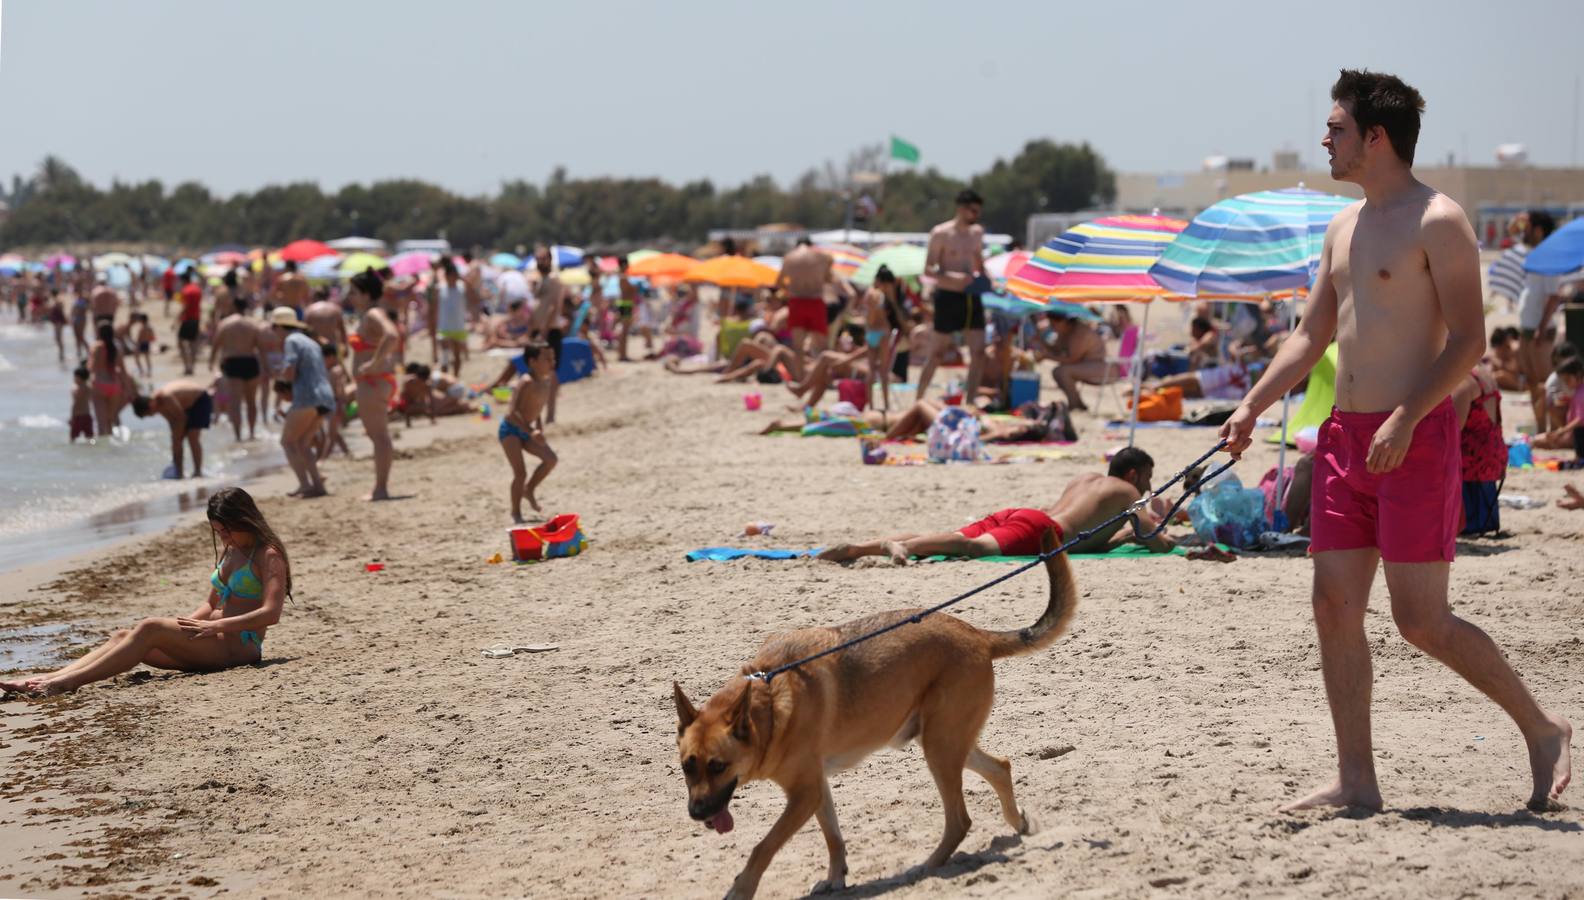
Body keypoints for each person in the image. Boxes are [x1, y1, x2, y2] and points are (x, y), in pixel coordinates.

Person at [1219, 69, 1570, 813]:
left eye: (1337, 127)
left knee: (1421, 621)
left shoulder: (1438, 219)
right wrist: (1251, 405)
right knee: (1333, 606)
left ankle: (1542, 729)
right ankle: (1357, 780)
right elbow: (1311, 335)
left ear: (1375, 137)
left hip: (1417, 435)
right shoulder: (1342, 227)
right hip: (1345, 441)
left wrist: (1408, 416)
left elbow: (1470, 340)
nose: (1326, 139)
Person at [0, 488, 287, 697]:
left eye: (227, 530)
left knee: (150, 626)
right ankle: (49, 677)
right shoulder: (232, 550)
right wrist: (182, 628)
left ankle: (68, 683)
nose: (223, 538)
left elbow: (271, 614)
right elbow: (209, 603)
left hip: (240, 647)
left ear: (245, 519)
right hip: (211, 639)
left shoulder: (268, 555)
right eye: (218, 532)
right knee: (123, 636)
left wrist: (215, 625)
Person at [816, 448, 1180, 563]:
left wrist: (1121, 537)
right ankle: (900, 546)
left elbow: (1094, 535)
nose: (1149, 485)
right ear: (1133, 475)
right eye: (1147, 478)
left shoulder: (1086, 480)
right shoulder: (1130, 494)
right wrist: (1173, 542)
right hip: (1043, 532)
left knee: (951, 536)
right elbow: (1154, 540)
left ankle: (858, 548)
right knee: (972, 547)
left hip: (1023, 515)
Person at [918, 189, 990, 402]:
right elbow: (928, 269)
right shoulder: (941, 233)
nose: (976, 215)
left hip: (971, 296)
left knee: (978, 352)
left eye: (978, 211)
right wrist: (952, 276)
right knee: (937, 352)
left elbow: (978, 261)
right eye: (973, 210)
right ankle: (919, 398)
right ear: (961, 208)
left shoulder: (976, 233)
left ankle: (971, 400)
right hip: (948, 296)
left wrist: (987, 279)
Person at [270, 307, 335, 498]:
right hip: (325, 396)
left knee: (288, 442)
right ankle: (317, 485)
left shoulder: (291, 340)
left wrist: (282, 381)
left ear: (279, 326)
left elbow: (290, 369)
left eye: (274, 327)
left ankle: (305, 485)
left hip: (307, 396)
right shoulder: (310, 341)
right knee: (303, 444)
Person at [347, 269, 399, 501]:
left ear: (367, 294)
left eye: (354, 292)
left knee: (379, 436)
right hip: (375, 381)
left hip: (373, 381)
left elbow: (392, 335)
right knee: (379, 435)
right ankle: (380, 487)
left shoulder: (373, 314)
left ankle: (381, 488)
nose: (351, 296)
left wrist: (372, 363)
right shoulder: (370, 314)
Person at [1515, 212, 1564, 431]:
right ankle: (1540, 429)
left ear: (1538, 230)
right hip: (1528, 328)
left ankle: (1552, 430)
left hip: (1540, 331)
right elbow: (1513, 234)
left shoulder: (1550, 257)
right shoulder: (1534, 254)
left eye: (1528, 227)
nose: (1524, 230)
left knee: (1546, 383)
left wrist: (1541, 329)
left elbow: (1554, 297)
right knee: (1532, 383)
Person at [498, 342, 558, 522]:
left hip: (529, 429)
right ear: (532, 362)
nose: (551, 361)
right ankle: (516, 512)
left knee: (550, 460)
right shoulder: (526, 382)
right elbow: (512, 412)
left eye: (552, 357)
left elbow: (538, 408)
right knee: (520, 473)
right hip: (511, 430)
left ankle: (529, 489)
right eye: (546, 358)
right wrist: (531, 431)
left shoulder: (547, 379)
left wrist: (538, 428)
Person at [1452, 364, 1506, 535]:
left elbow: (1453, 429)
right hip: (1495, 452)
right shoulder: (1483, 373)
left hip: (1473, 459)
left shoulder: (1463, 381)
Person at [131, 379, 214, 478]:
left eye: (149, 414)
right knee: (176, 441)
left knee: (193, 438)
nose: (151, 416)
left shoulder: (165, 397)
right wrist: (176, 439)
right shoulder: (157, 404)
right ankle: (179, 473)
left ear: (150, 405)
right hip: (186, 405)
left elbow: (181, 418)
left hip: (200, 399)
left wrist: (177, 437)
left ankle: (197, 471)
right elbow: (172, 421)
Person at [774, 238, 840, 359]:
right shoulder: (821, 257)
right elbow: (828, 279)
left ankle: (800, 377)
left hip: (796, 301)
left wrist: (790, 290)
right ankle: (824, 374)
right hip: (815, 300)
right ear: (811, 246)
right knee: (822, 346)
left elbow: (778, 282)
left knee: (798, 347)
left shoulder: (789, 257)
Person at [210, 296, 264, 441]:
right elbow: (260, 347)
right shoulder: (252, 324)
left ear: (233, 306)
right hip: (250, 361)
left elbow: (215, 344)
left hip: (233, 362)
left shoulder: (225, 323)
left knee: (235, 402)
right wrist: (264, 366)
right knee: (251, 401)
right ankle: (252, 433)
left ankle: (238, 436)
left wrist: (211, 363)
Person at [527, 248, 567, 424]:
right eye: (538, 259)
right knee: (539, 372)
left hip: (549, 331)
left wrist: (542, 330)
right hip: (540, 330)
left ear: (550, 260)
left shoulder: (553, 279)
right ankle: (541, 414)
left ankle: (550, 414)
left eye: (543, 259)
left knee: (549, 372)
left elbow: (554, 306)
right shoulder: (541, 279)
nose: (540, 262)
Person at [1042, 311, 1108, 409]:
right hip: (1087, 366)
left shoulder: (1079, 332)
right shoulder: (1065, 331)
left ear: (1063, 322)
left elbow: (1071, 359)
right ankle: (1077, 404)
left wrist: (1046, 356)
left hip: (1100, 368)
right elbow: (1057, 350)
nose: (1052, 327)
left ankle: (1075, 405)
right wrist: (1040, 340)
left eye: (1053, 324)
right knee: (1060, 371)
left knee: (1061, 372)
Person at [1532, 357, 1583, 453]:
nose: (1566, 383)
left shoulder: (1580, 394)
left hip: (1578, 433)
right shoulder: (1578, 390)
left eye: (1568, 380)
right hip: (1573, 431)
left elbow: (1580, 420)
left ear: (1578, 375)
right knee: (1540, 439)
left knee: (1539, 441)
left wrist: (1560, 432)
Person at [89, 322, 129, 437]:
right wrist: (127, 389)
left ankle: (102, 454)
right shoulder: (117, 348)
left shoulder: (96, 347)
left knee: (101, 424)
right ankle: (112, 452)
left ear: (99, 333)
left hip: (99, 384)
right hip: (115, 385)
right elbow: (123, 371)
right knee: (110, 422)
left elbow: (91, 368)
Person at [431, 258, 469, 374]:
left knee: (457, 354)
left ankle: (455, 377)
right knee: (445, 354)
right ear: (446, 276)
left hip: (459, 325)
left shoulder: (462, 287)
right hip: (444, 325)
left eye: (454, 275)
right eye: (450, 275)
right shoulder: (440, 288)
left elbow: (474, 296)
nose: (453, 278)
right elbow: (435, 307)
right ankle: (445, 377)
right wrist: (433, 323)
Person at [176, 270, 203, 376]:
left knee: (181, 342)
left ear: (183, 280)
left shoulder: (186, 290)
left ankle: (187, 367)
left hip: (187, 319)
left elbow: (185, 307)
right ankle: (192, 366)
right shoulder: (197, 289)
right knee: (193, 344)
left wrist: (176, 320)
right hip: (196, 318)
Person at [615, 256, 639, 361]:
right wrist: (635, 288)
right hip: (626, 304)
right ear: (624, 264)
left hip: (625, 304)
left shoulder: (622, 276)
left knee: (624, 331)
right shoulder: (623, 276)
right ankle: (622, 354)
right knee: (624, 331)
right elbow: (628, 290)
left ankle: (622, 353)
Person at [68, 366, 93, 443]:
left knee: (73, 438)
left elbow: (75, 405)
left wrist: (72, 418)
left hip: (78, 417)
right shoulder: (89, 388)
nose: (74, 379)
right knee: (90, 438)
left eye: (75, 377)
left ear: (79, 378)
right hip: (87, 416)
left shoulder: (76, 390)